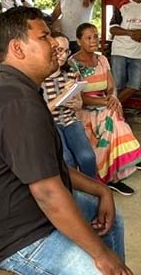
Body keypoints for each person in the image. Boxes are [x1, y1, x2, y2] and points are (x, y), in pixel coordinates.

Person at [0, 7, 132, 275]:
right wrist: (101, 256)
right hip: (15, 237)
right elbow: (47, 193)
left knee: (112, 221)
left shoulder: (23, 91)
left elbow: (48, 168)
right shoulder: (16, 103)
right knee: (100, 270)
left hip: (33, 213)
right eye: (44, 37)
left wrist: (101, 190)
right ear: (17, 49)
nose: (55, 43)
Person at [72, 22, 141, 194]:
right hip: (84, 110)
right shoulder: (73, 64)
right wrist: (106, 103)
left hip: (104, 104)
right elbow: (79, 97)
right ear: (78, 41)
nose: (94, 41)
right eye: (88, 38)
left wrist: (113, 96)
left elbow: (111, 86)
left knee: (112, 116)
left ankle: (112, 177)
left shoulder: (102, 59)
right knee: (111, 116)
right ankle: (134, 161)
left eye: (96, 36)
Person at [43, 32, 98, 179]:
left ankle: (93, 190)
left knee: (88, 157)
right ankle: (73, 195)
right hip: (50, 124)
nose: (63, 55)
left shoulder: (71, 74)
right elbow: (40, 112)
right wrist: (61, 96)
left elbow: (79, 103)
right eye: (59, 49)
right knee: (67, 160)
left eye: (66, 51)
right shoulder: (39, 77)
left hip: (70, 120)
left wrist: (76, 104)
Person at [50, 0, 114, 54]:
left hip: (81, 40)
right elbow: (54, 15)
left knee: (81, 66)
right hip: (65, 38)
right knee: (64, 64)